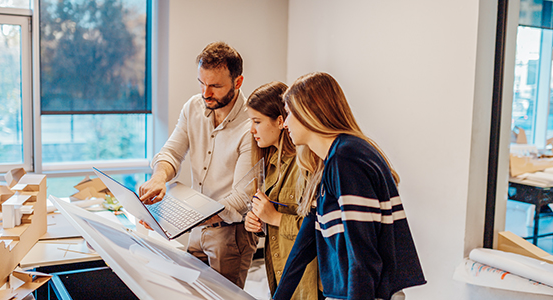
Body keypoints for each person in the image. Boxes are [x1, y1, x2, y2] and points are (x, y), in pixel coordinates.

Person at [273, 72, 426, 300]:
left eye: (288, 113)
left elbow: (362, 255)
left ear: (309, 112)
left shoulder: (347, 160)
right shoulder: (331, 163)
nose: (284, 123)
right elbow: (303, 247)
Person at [138, 41, 258, 288]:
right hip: (197, 227)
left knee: (222, 295)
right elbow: (171, 152)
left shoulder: (251, 125)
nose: (206, 93)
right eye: (202, 83)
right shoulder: (193, 107)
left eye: (215, 86)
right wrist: (159, 177)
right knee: (190, 292)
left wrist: (182, 217)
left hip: (231, 233)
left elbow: (240, 199)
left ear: (238, 82)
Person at [243, 81, 322, 299]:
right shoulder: (269, 166)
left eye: (257, 121)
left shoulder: (306, 165)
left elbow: (318, 230)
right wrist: (258, 221)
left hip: (308, 284)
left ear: (280, 121)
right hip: (281, 276)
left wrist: (275, 217)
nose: (252, 130)